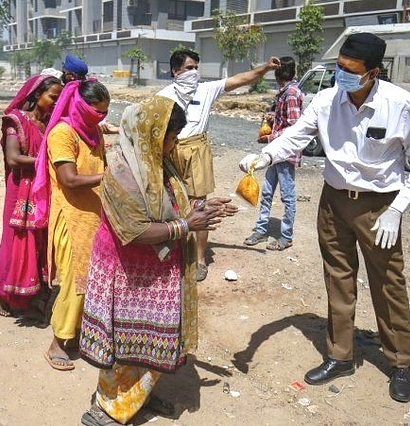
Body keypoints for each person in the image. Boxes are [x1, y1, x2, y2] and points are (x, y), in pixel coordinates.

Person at [239, 33, 410, 403]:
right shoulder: (325, 99)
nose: (342, 77)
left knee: (388, 282)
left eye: (351, 72)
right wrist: (265, 157)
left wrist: (397, 209)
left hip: (379, 204)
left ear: (373, 73)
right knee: (338, 279)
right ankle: (340, 356)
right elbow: (296, 136)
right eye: (339, 69)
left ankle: (400, 362)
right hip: (334, 201)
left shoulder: (400, 105)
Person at [79, 96, 238, 426]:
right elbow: (133, 232)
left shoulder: (161, 165)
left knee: (155, 339)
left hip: (160, 272)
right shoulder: (120, 174)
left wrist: (203, 211)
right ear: (150, 133)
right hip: (126, 273)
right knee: (125, 343)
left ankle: (138, 398)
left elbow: (172, 210)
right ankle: (106, 408)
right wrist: (186, 226)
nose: (174, 143)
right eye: (171, 136)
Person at [157, 49, 280, 281]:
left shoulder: (206, 89)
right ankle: (175, 255)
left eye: (196, 68)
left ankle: (200, 260)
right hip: (171, 150)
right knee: (171, 203)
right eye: (188, 68)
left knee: (200, 205)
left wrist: (265, 68)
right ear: (175, 71)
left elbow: (241, 79)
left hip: (198, 152)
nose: (193, 73)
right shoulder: (163, 96)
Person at [32, 79, 110, 370]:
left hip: (95, 214)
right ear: (80, 106)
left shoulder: (92, 133)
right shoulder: (62, 133)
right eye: (96, 112)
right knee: (75, 283)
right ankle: (57, 341)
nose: (101, 118)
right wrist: (110, 177)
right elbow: (69, 180)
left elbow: (98, 168)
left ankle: (75, 334)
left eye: (105, 112)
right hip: (71, 216)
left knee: (92, 281)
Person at [0, 74, 63, 318]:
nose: (56, 102)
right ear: (37, 95)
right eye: (52, 97)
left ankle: (36, 292)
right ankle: (7, 294)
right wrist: (45, 162)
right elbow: (13, 158)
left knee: (41, 239)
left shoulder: (51, 124)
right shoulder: (17, 121)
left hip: (42, 188)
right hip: (21, 189)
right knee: (18, 240)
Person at [244, 56, 303, 251]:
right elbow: (285, 119)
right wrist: (273, 116)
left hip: (284, 152)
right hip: (275, 152)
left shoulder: (292, 93)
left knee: (287, 195)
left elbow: (295, 128)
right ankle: (261, 229)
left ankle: (286, 236)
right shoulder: (284, 92)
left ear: (277, 73)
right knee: (268, 192)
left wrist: (270, 137)